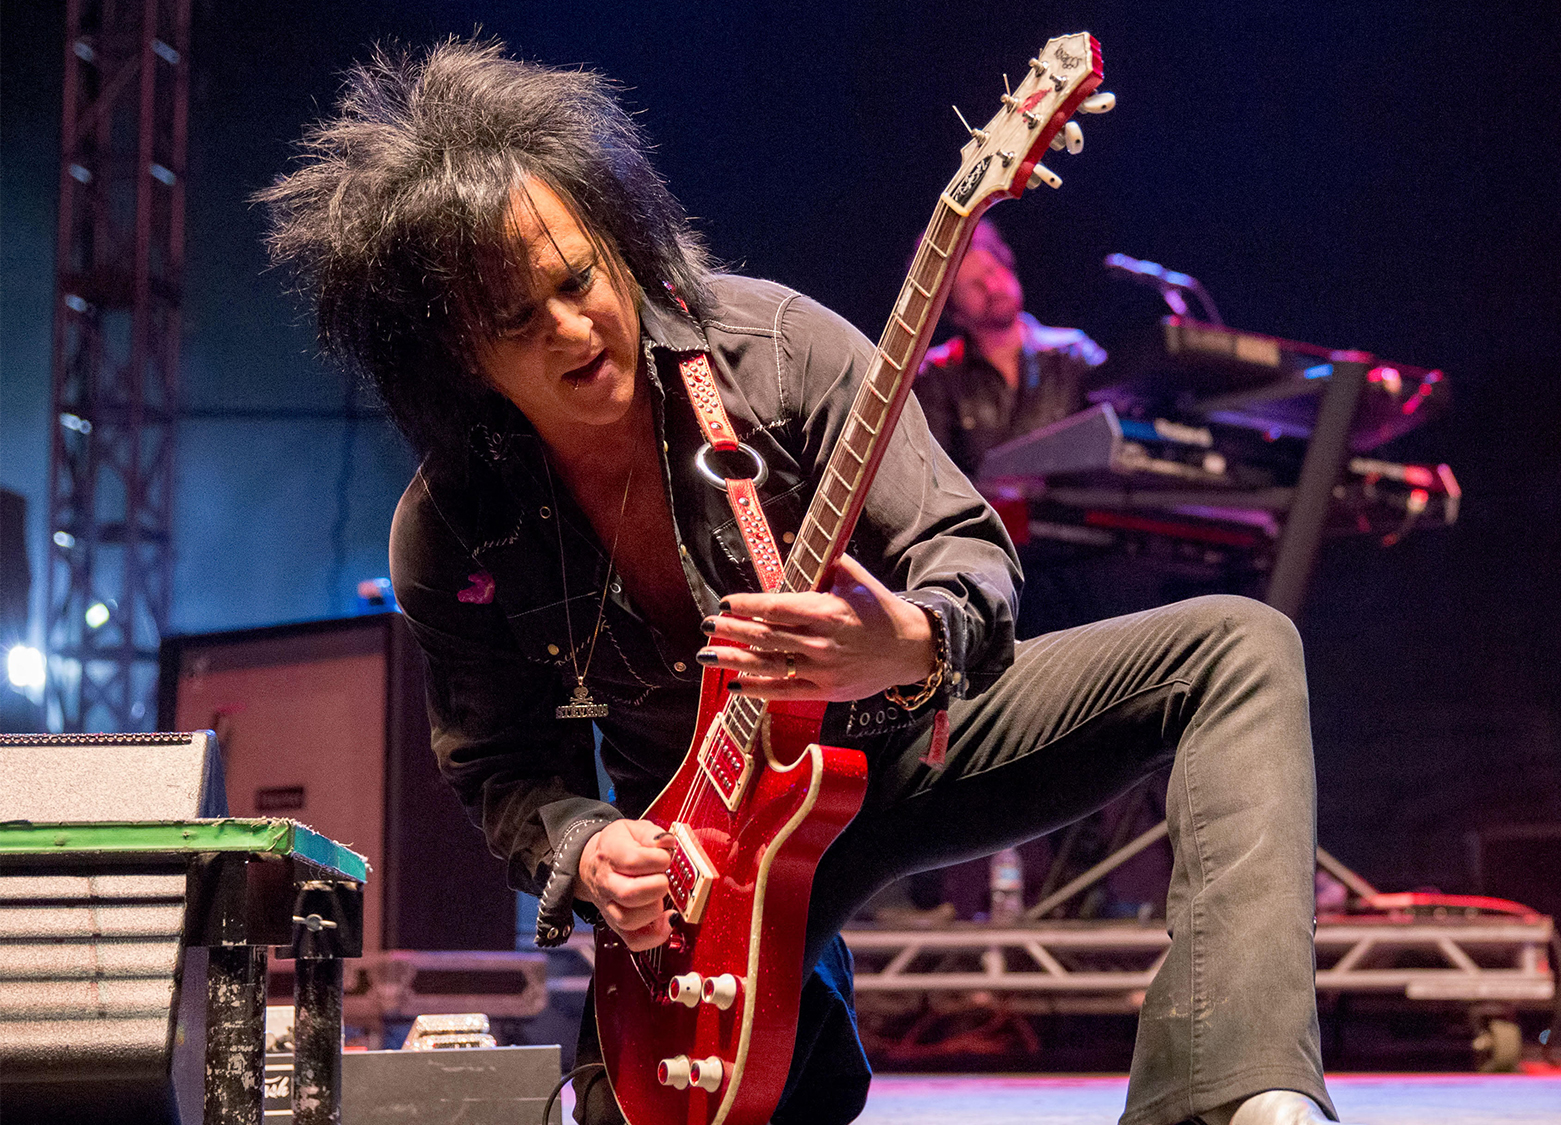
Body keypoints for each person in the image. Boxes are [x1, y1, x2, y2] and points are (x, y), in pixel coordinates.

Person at [258, 39, 1336, 1125]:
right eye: (515, 324)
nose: (573, 329)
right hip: (712, 858)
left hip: (918, 742)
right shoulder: (449, 531)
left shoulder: (776, 351)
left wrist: (909, 639)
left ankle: (1228, 1095)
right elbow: (501, 770)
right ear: (453, 357)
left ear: (619, 239)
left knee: (1236, 649)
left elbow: (965, 548)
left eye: (578, 279)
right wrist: (590, 849)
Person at [913, 220, 1105, 479]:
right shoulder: (935, 376)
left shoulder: (1072, 352)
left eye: (993, 271)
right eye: (974, 285)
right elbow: (934, 480)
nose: (992, 287)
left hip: (1069, 515)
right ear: (953, 311)